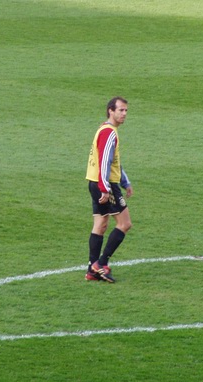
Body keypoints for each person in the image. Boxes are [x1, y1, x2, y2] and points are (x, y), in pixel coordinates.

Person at [85, 97, 133, 283]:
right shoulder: (109, 133)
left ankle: (92, 270)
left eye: (126, 110)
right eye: (120, 110)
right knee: (125, 223)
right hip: (105, 184)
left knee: (100, 224)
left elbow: (112, 161)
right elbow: (105, 161)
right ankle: (102, 264)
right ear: (110, 111)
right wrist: (105, 188)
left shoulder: (104, 129)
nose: (124, 114)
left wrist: (125, 181)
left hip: (95, 182)